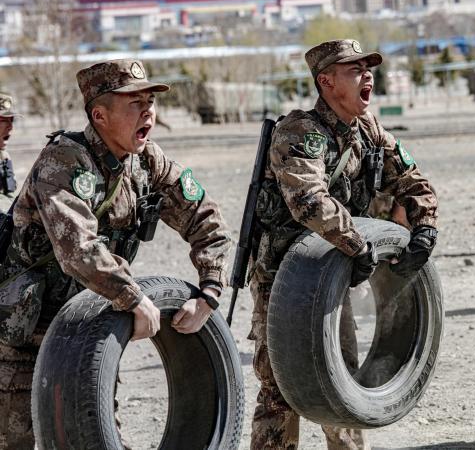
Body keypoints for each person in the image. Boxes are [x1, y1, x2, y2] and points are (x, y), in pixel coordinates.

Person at [0, 59, 232, 449]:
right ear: (100, 116)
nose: (148, 112)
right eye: (134, 103)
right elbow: (78, 249)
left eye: (150, 102)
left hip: (86, 328)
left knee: (94, 435)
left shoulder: (148, 162)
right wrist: (133, 298)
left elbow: (207, 220)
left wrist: (209, 291)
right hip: (22, 334)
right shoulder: (64, 160)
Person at [249, 39, 438, 449]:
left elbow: (411, 179)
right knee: (279, 389)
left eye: (368, 69)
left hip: (331, 271)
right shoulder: (300, 132)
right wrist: (357, 243)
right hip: (281, 280)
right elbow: (308, 200)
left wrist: (425, 225)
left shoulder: (368, 129)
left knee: (340, 379)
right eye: (355, 70)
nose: (367, 76)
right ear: (327, 82)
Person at [0, 93, 20, 211]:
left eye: (11, 120)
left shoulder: (4, 156)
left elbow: (10, 194)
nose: (10, 127)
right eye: (3, 120)